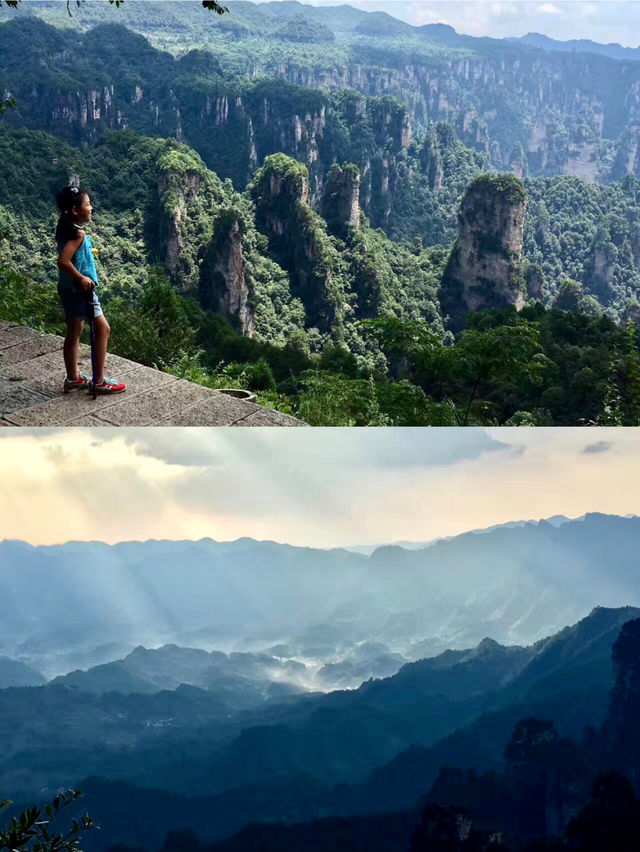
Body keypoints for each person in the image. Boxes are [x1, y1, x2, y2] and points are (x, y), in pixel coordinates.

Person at [56, 185, 126, 394]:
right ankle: (99, 380)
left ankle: (73, 378)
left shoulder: (64, 229)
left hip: (67, 289)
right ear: (76, 210)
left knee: (74, 332)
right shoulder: (78, 234)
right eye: (88, 204)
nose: (91, 207)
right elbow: (63, 261)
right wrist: (82, 277)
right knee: (103, 329)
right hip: (81, 291)